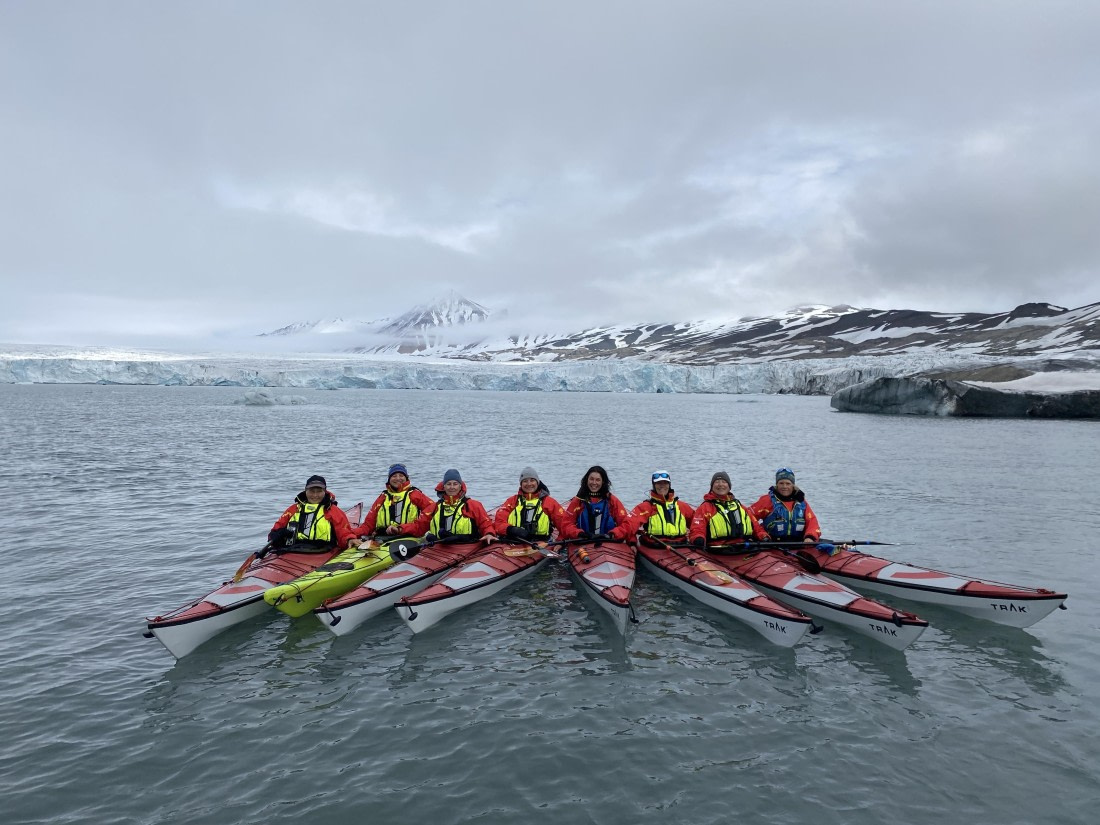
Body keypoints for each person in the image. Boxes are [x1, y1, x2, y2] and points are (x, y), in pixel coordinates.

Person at [347, 463, 436, 546]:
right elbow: (368, 525)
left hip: (408, 536)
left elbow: (434, 511)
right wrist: (350, 534)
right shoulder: (383, 497)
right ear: (389, 479)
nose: (398, 478)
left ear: (406, 478)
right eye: (394, 476)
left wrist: (401, 528)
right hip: (383, 537)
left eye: (401, 475)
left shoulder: (415, 495)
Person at [410, 469, 498, 545]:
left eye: (455, 484)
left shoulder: (473, 505)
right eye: (448, 484)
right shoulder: (434, 507)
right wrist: (399, 529)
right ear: (443, 486)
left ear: (460, 486)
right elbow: (418, 527)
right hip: (440, 547)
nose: (452, 487)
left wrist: (489, 534)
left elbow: (485, 524)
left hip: (466, 546)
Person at [268, 474, 355, 550]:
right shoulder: (293, 509)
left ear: (325, 491)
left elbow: (344, 532)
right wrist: (276, 535)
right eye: (311, 491)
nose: (315, 495)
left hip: (324, 551)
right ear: (305, 491)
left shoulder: (332, 510)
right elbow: (276, 529)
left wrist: (349, 540)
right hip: (293, 550)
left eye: (319, 491)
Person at [687, 471, 769, 550]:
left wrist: (763, 536)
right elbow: (697, 529)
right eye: (717, 482)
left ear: (729, 486)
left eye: (724, 482)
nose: (720, 484)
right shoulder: (705, 508)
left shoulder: (740, 507)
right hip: (717, 549)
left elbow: (756, 527)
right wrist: (698, 539)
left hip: (743, 547)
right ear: (712, 486)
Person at [493, 466, 570, 542]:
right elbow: (498, 523)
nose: (529, 484)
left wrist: (560, 542)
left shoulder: (549, 502)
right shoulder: (512, 501)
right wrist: (511, 529)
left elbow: (564, 525)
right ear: (521, 484)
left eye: (532, 480)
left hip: (542, 542)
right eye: (525, 481)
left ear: (537, 482)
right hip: (514, 541)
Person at [748, 467, 821, 544]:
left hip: (798, 543)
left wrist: (810, 537)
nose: (784, 487)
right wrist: (761, 534)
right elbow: (748, 518)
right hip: (771, 544)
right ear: (777, 485)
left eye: (788, 483)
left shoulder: (801, 502)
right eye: (781, 483)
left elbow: (812, 522)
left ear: (793, 485)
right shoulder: (766, 500)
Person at [561, 465, 632, 541]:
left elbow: (626, 524)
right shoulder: (578, 500)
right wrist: (579, 533)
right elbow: (566, 524)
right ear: (587, 480)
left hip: (608, 541)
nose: (594, 483)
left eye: (598, 480)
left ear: (603, 482)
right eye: (591, 479)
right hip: (583, 541)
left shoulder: (612, 500)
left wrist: (613, 534)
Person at [629, 471, 695, 543]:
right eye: (658, 483)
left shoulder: (682, 506)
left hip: (681, 545)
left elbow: (697, 526)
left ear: (669, 485)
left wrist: (697, 538)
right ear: (654, 485)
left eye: (665, 483)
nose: (662, 486)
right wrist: (631, 541)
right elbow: (629, 525)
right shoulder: (646, 507)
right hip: (654, 546)